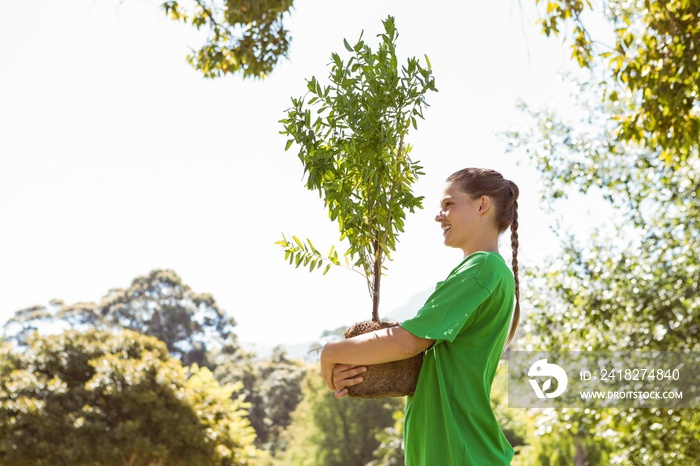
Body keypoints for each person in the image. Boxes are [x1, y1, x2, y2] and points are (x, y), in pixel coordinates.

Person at [320, 167, 520, 465]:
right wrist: (358, 371)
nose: (439, 216)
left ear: (482, 204)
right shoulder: (488, 271)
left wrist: (331, 352)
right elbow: (422, 360)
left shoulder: (482, 268)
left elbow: (409, 341)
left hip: (460, 452)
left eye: (448, 204)